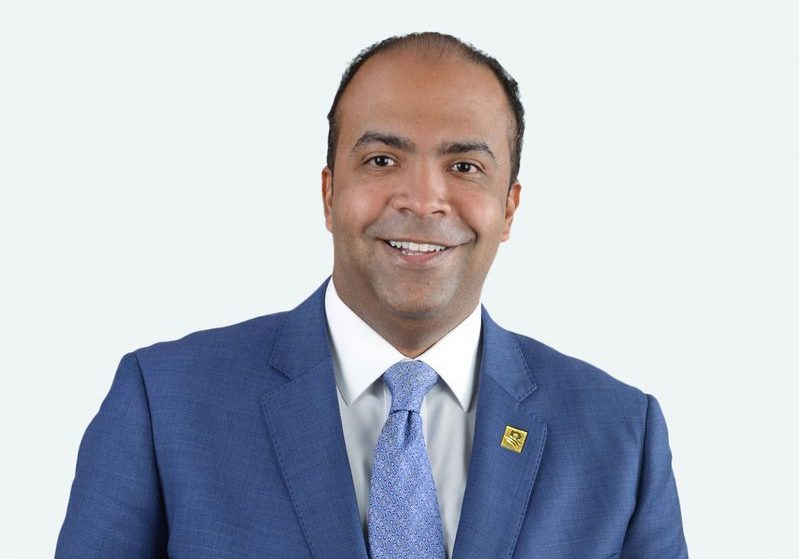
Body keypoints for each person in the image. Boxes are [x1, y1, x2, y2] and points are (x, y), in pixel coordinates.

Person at [56, 32, 688, 558]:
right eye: (383, 160)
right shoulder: (166, 404)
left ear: (509, 208)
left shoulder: (619, 437)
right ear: (329, 193)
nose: (422, 200)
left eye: (465, 167)